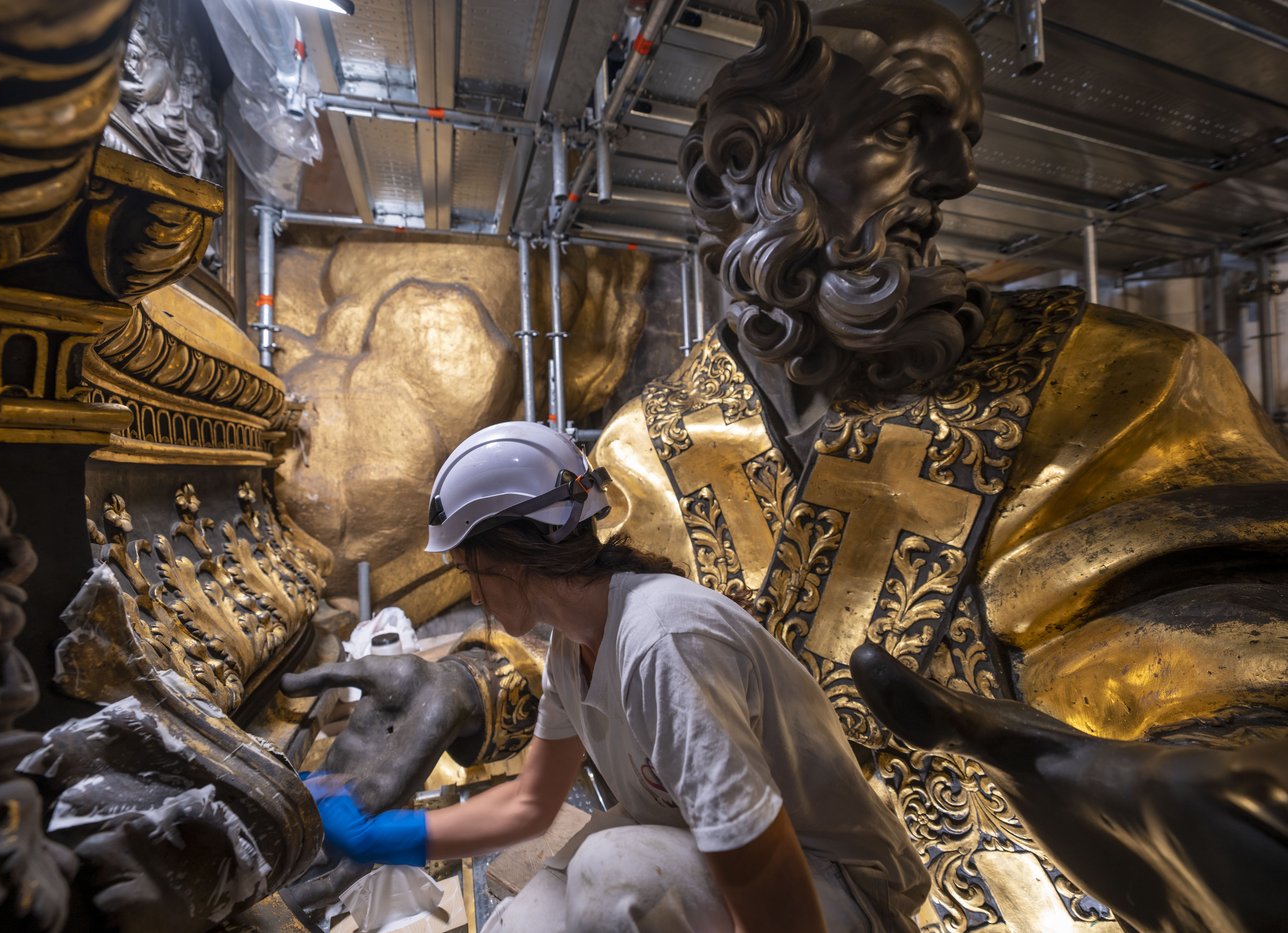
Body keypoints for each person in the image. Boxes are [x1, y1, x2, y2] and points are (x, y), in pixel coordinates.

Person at [286, 0, 1288, 928]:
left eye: (958, 138)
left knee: (609, 879)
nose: (954, 178)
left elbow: (1212, 662)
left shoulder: (1131, 387)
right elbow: (560, 675)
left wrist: (1147, 770)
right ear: (742, 170)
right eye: (902, 131)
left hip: (992, 893)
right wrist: (462, 690)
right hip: (744, 869)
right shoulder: (654, 439)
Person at [305, 421, 928, 932]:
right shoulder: (571, 647)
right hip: (687, 841)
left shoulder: (662, 638)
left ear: (515, 555)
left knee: (614, 872)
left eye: (473, 570)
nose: (474, 592)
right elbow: (530, 803)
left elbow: (756, 852)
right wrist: (384, 836)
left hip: (826, 878)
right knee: (525, 927)